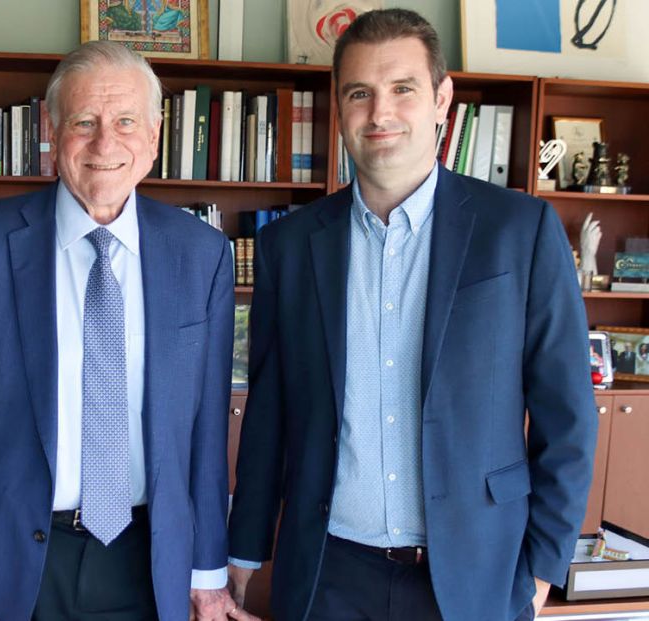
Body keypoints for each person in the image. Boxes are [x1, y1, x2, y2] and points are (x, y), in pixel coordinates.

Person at [227, 9, 597, 621]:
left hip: (476, 572)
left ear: (440, 100)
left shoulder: (519, 231)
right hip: (326, 575)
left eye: (402, 88)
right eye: (359, 93)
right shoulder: (288, 246)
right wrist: (242, 555)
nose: (380, 113)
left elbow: (569, 415)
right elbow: (268, 415)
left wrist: (541, 568)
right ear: (339, 106)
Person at [0, 41, 254, 621]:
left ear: (156, 136)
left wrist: (207, 574)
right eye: (84, 121)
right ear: (52, 129)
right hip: (3, 569)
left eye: (126, 121)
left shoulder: (202, 254)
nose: (105, 143)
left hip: (150, 563)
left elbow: (206, 437)